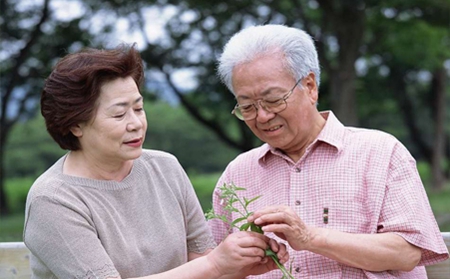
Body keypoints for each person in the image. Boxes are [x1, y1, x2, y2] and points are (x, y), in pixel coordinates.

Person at [23, 44, 289, 279]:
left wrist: (236, 268)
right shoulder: (53, 200)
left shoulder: (165, 168)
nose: (136, 124)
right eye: (119, 115)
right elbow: (208, 265)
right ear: (75, 125)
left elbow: (200, 260)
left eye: (138, 108)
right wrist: (216, 265)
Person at [209, 24, 449, 278]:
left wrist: (310, 237)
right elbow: (214, 264)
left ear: (310, 86)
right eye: (247, 107)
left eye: (273, 100)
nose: (263, 116)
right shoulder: (238, 173)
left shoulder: (380, 152)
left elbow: (408, 253)